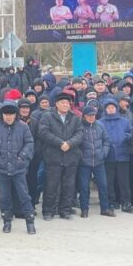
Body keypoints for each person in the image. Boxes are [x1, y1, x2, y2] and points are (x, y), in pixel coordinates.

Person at [0, 101, 36, 234]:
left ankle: (30, 222)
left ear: (15, 115)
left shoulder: (23, 127)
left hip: (19, 168)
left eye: (11, 114)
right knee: (4, 197)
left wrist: (22, 156)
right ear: (2, 115)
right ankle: (7, 221)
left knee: (24, 195)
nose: (9, 117)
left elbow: (29, 142)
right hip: (1, 168)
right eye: (6, 114)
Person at [39, 92, 83, 220]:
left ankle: (65, 210)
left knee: (69, 186)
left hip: (71, 156)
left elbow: (80, 133)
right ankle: (48, 211)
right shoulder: (47, 116)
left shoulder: (74, 117)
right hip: (53, 156)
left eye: (67, 103)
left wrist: (69, 143)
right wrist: (60, 143)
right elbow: (43, 132)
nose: (65, 105)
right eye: (62, 102)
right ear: (56, 104)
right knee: (51, 185)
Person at [78, 106, 114, 218]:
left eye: (93, 115)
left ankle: (105, 208)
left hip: (99, 161)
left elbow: (107, 141)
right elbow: (76, 144)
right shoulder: (79, 127)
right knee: (84, 187)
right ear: (84, 116)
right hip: (84, 162)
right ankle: (84, 209)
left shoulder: (100, 125)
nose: (91, 117)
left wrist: (104, 153)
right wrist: (81, 156)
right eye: (89, 115)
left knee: (103, 185)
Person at [100, 98, 133, 213]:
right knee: (109, 181)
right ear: (105, 109)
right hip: (108, 156)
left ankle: (126, 203)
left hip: (122, 154)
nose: (111, 109)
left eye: (113, 107)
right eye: (108, 108)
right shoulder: (101, 122)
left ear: (116, 108)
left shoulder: (124, 121)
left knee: (124, 181)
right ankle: (111, 202)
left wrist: (126, 137)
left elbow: (131, 133)